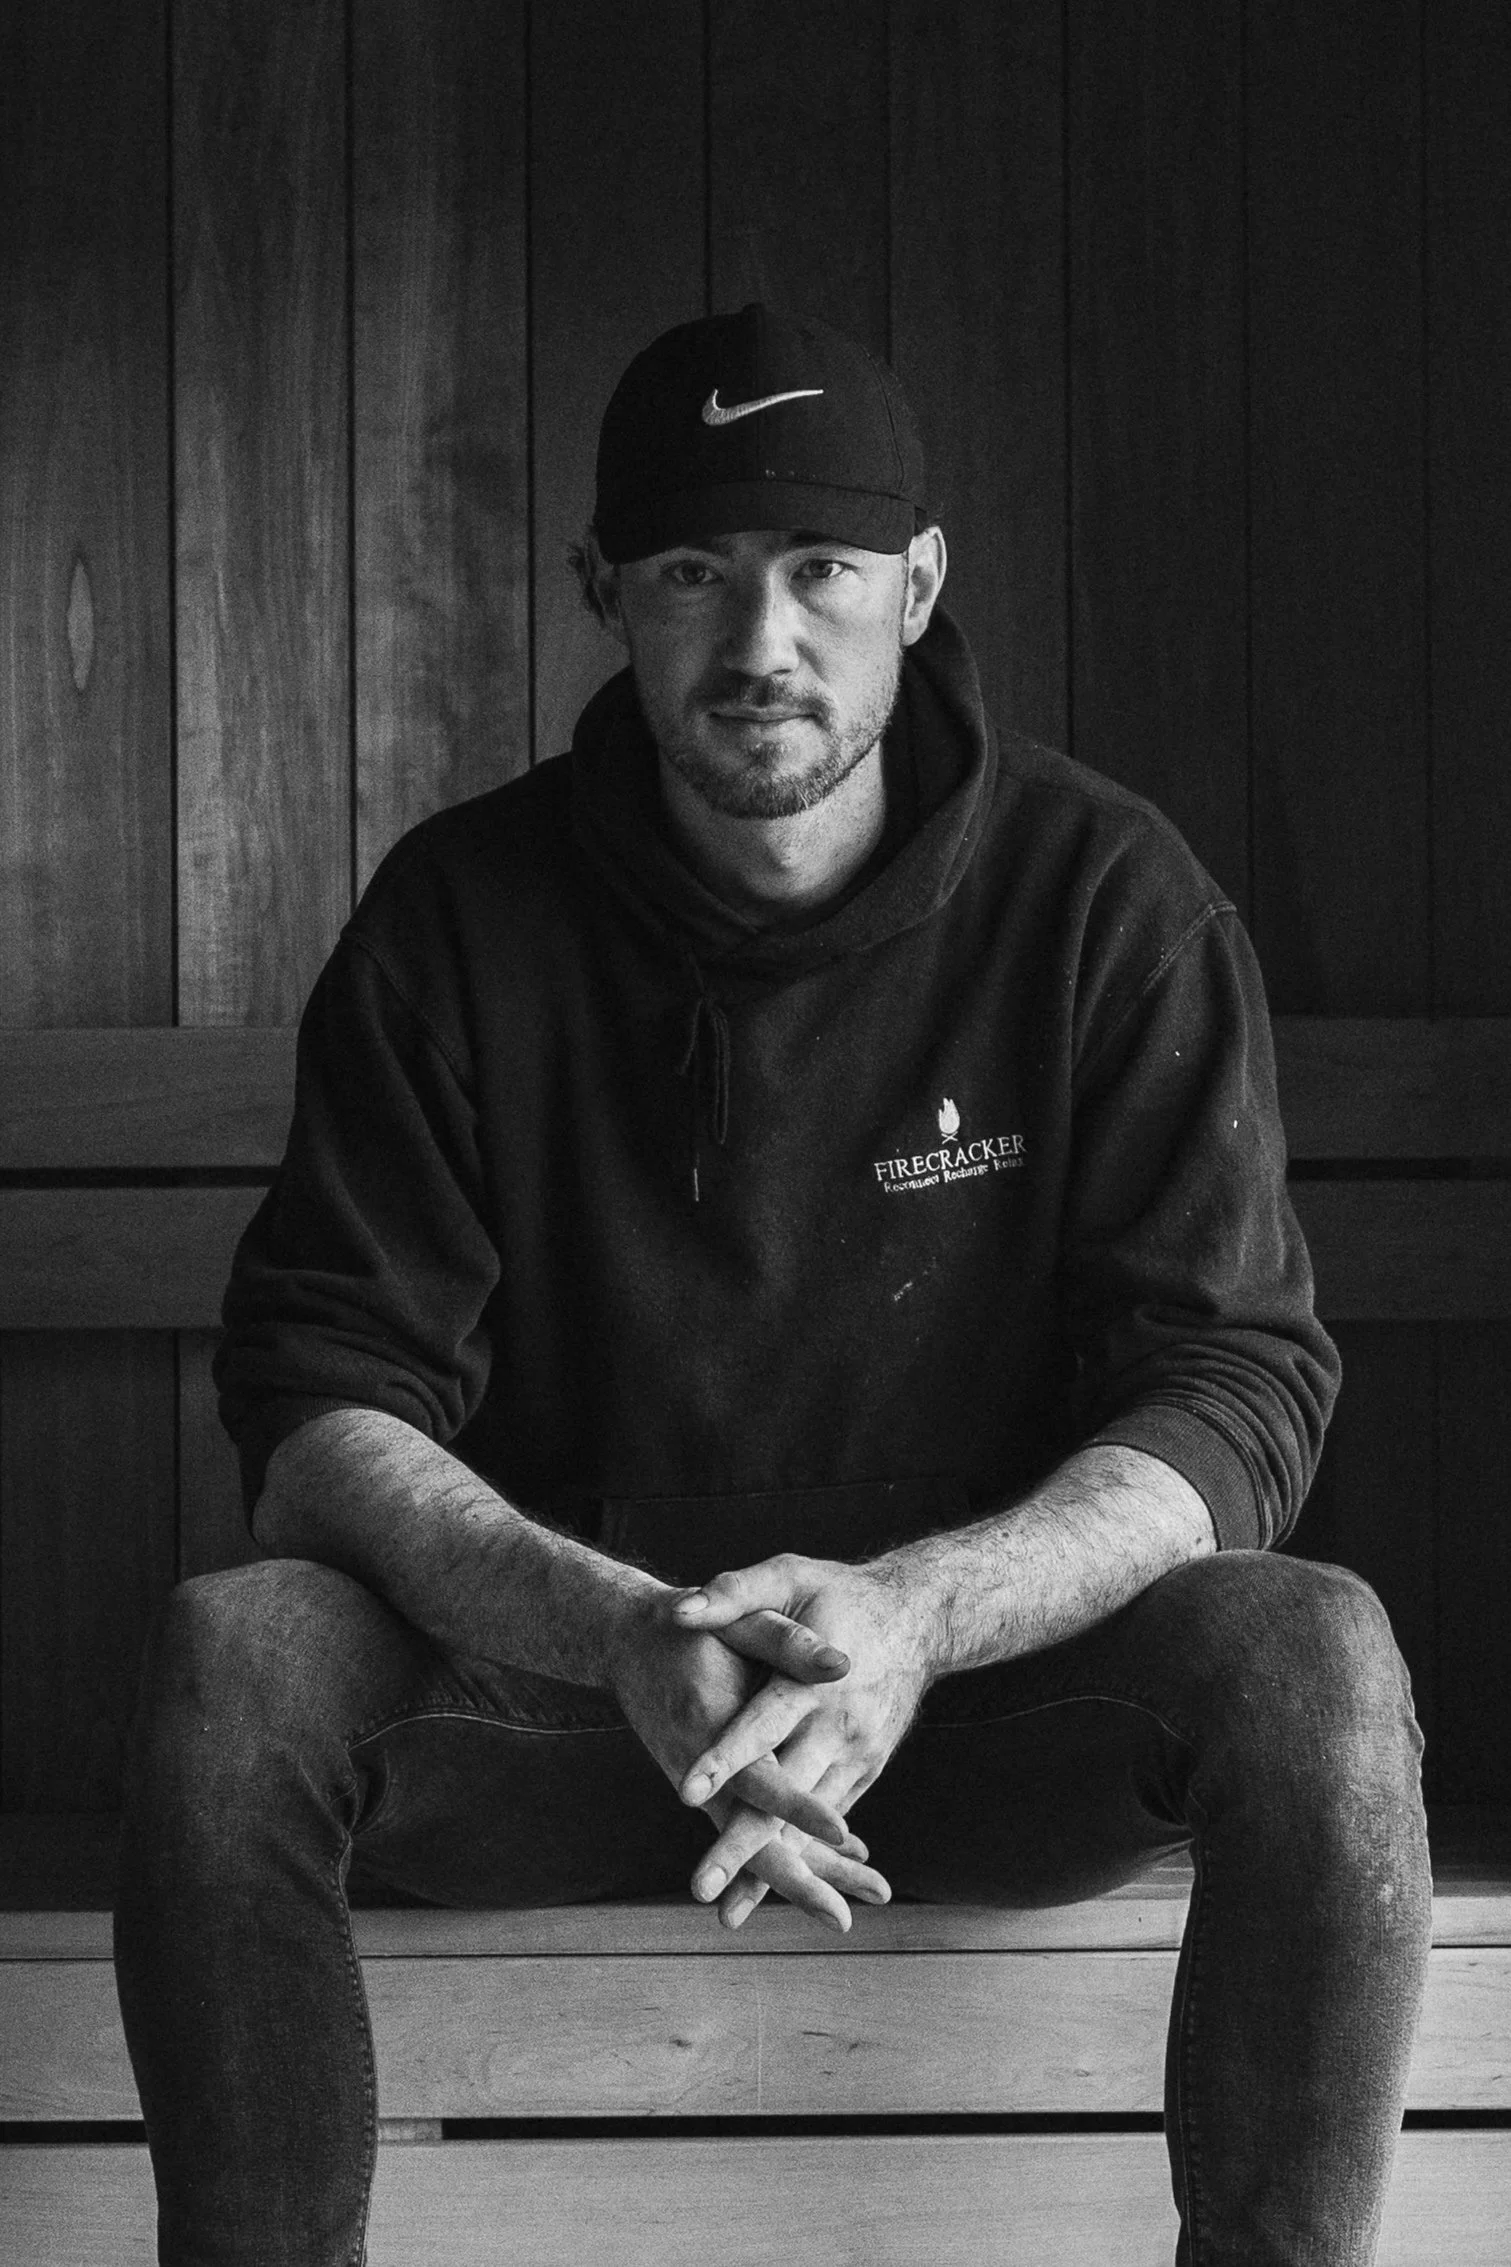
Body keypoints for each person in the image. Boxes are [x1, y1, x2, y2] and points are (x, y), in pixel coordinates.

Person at [114, 303, 1431, 2266]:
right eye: (690, 577)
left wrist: (907, 1614)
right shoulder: (459, 918)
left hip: (978, 1710)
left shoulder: (1103, 899)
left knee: (1316, 1662)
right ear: (600, 591)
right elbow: (317, 1411)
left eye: (818, 572)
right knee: (236, 1667)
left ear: (913, 581)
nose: (759, 646)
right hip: (566, 1701)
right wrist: (619, 1623)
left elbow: (1230, 1383)